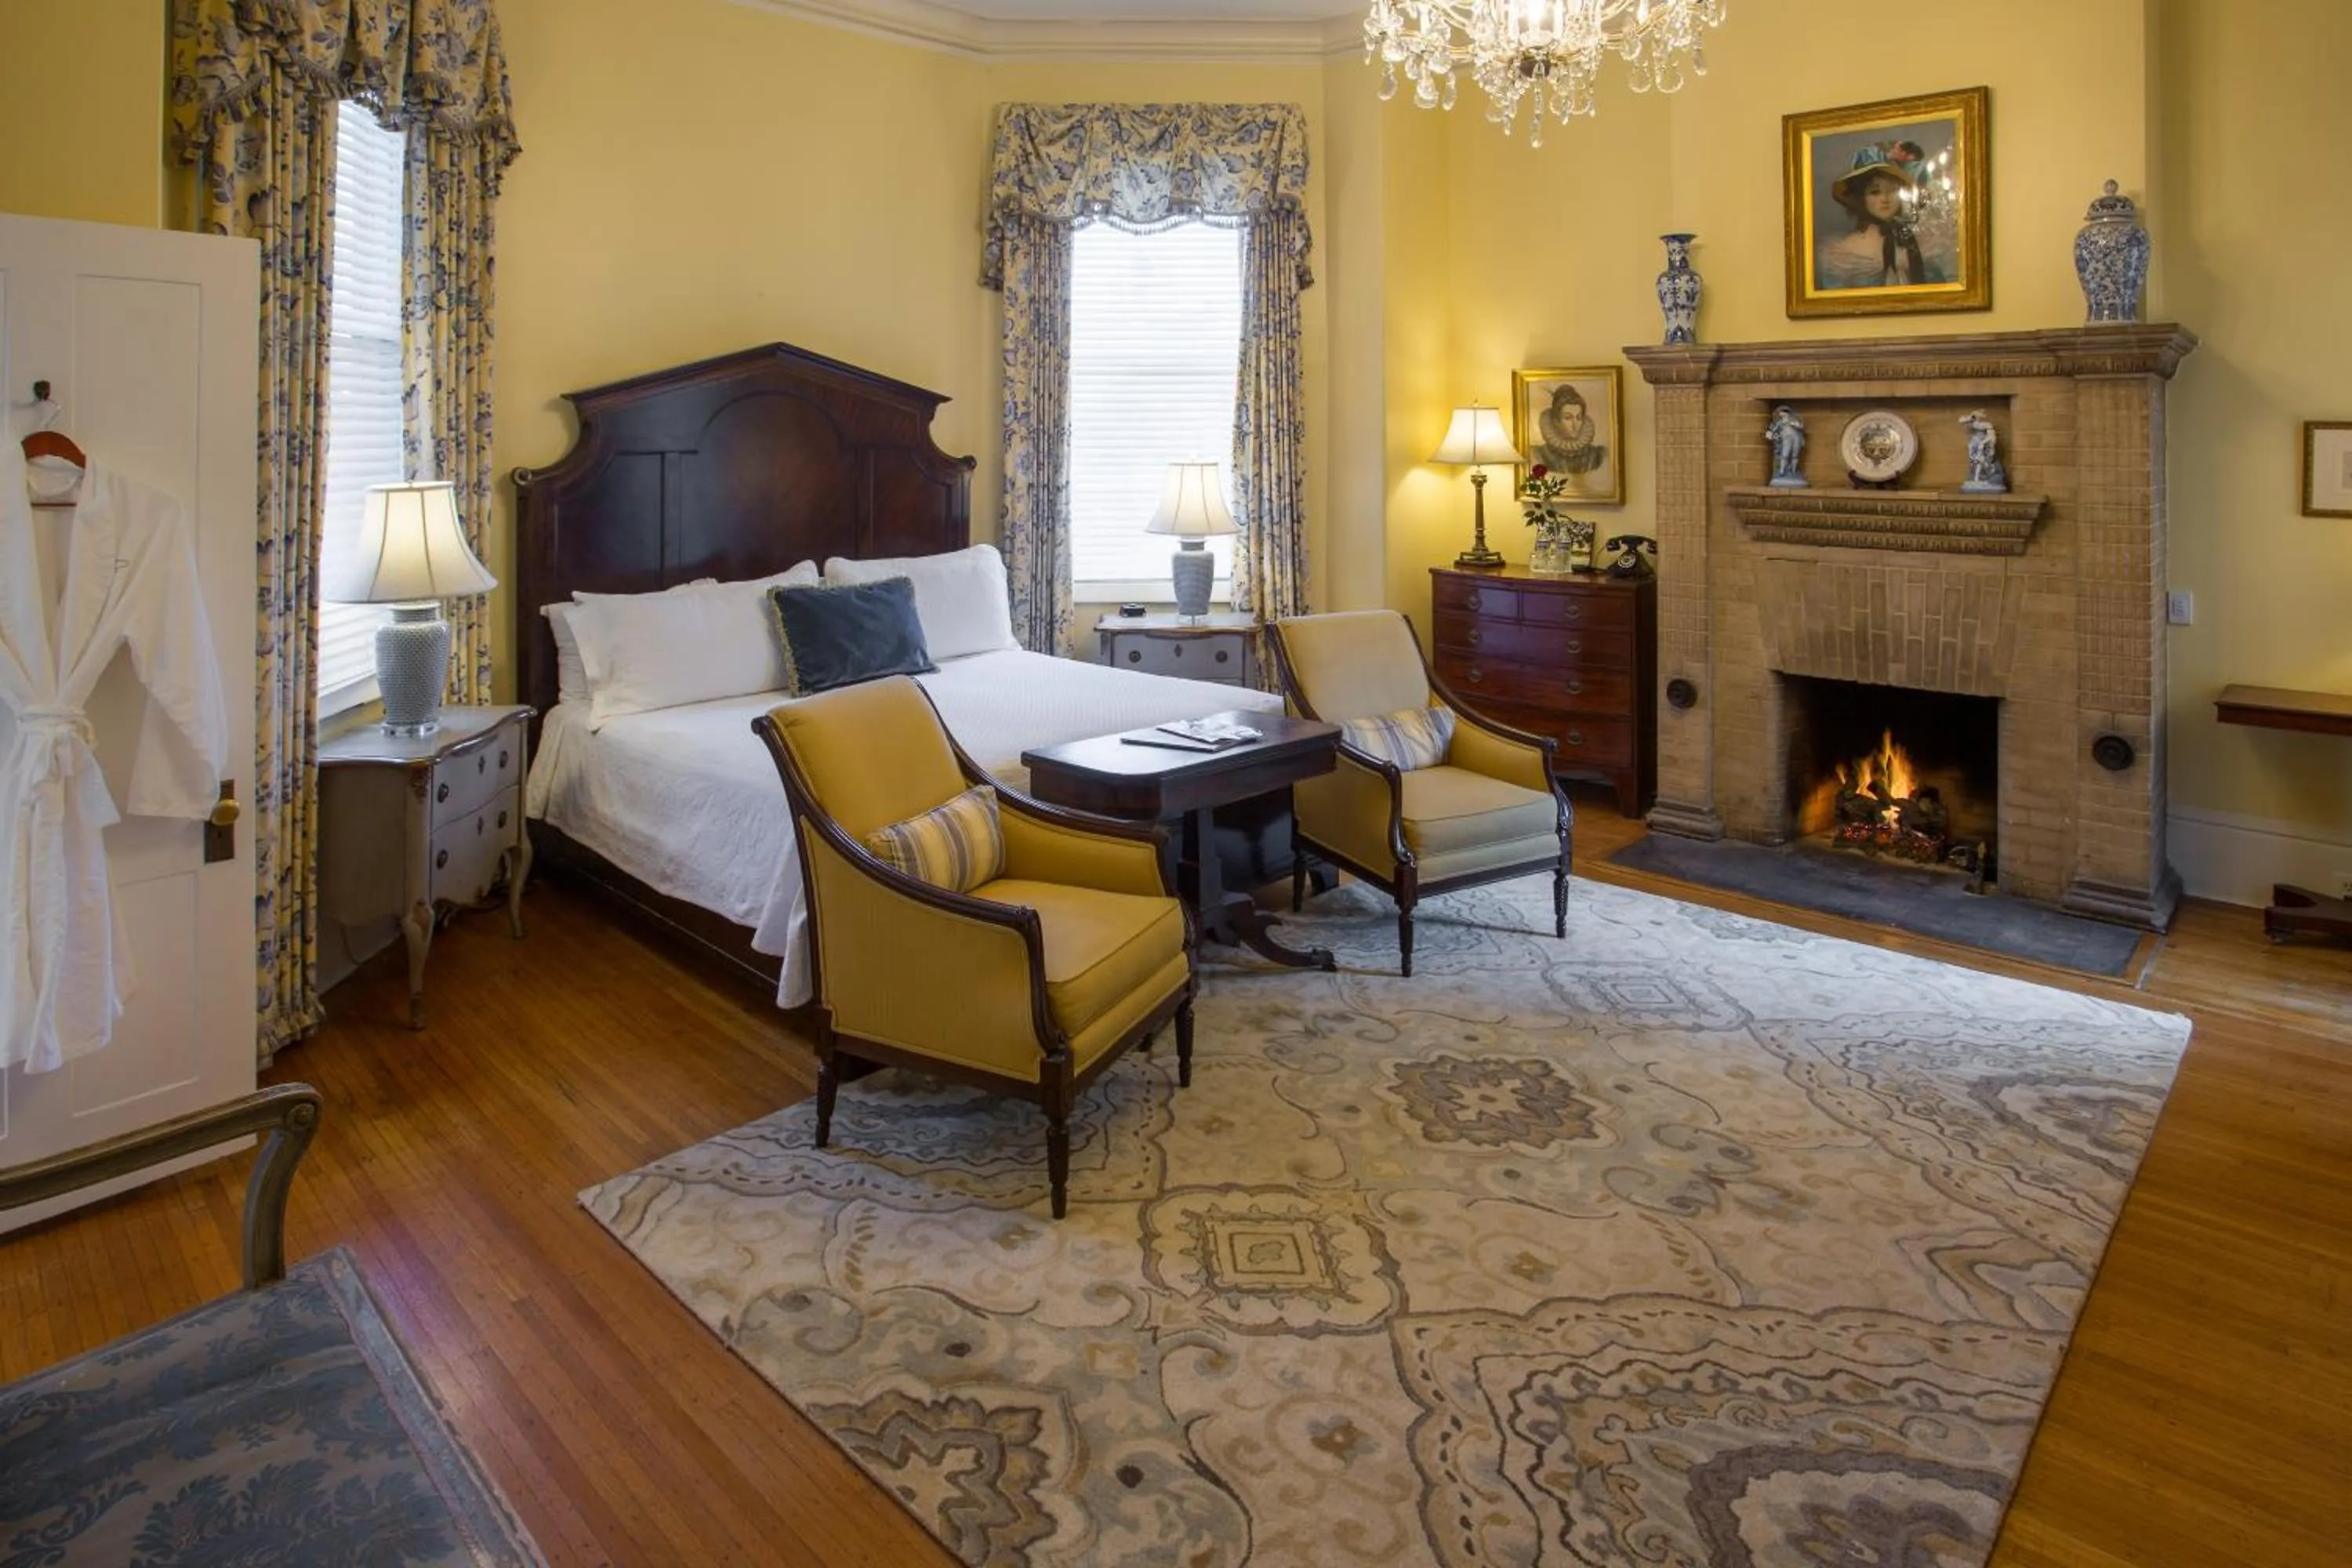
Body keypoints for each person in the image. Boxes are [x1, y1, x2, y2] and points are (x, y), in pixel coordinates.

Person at [1817, 144, 1938, 290]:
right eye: (1875, 192)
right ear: (1861, 197)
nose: (1885, 199)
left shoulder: (1917, 244)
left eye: (1892, 190)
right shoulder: (1842, 256)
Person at [1534, 384, 1606, 477]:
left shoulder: (1597, 455)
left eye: (1579, 418)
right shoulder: (1539, 455)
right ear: (1556, 421)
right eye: (1568, 418)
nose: (1575, 424)